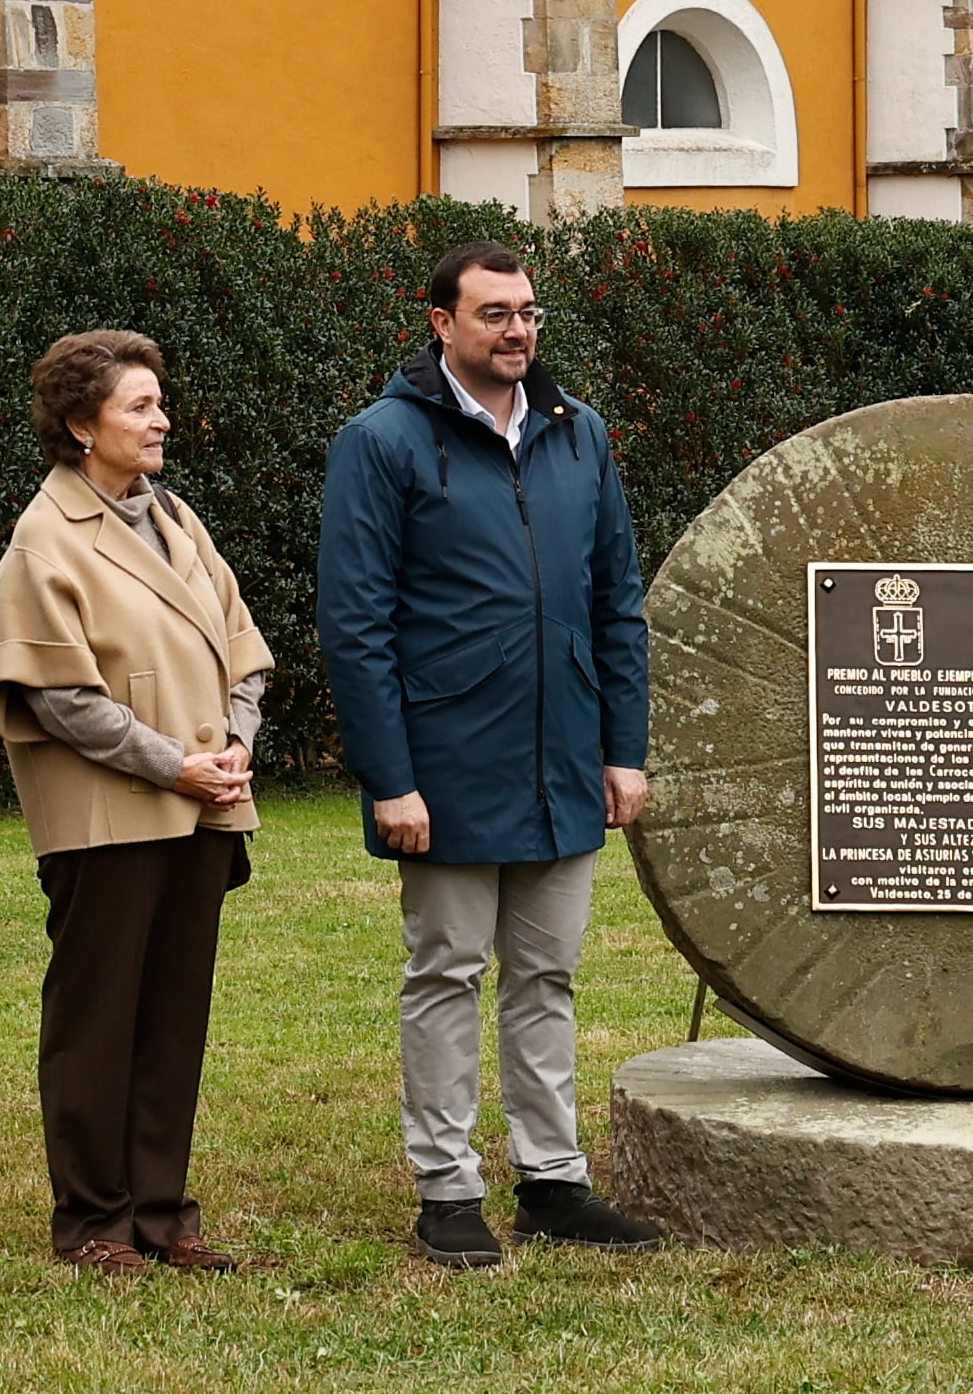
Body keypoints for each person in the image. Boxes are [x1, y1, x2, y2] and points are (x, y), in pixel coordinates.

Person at [315, 239, 665, 1267]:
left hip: (565, 762)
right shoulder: (380, 440)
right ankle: (447, 1187)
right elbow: (356, 623)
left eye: (528, 311)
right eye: (493, 313)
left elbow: (617, 603)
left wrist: (624, 749)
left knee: (548, 974)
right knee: (448, 971)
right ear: (440, 323)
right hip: (447, 763)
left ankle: (553, 1179)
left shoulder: (579, 432)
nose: (517, 329)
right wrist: (393, 776)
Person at [0, 331, 279, 1273]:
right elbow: (58, 698)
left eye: (159, 403)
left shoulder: (177, 517)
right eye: (139, 407)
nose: (161, 420)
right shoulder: (44, 537)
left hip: (199, 805)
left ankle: (162, 1214)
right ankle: (95, 1224)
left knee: (173, 1019)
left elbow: (243, 645)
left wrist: (233, 745)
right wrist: (172, 765)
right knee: (98, 1025)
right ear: (80, 425)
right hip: (110, 820)